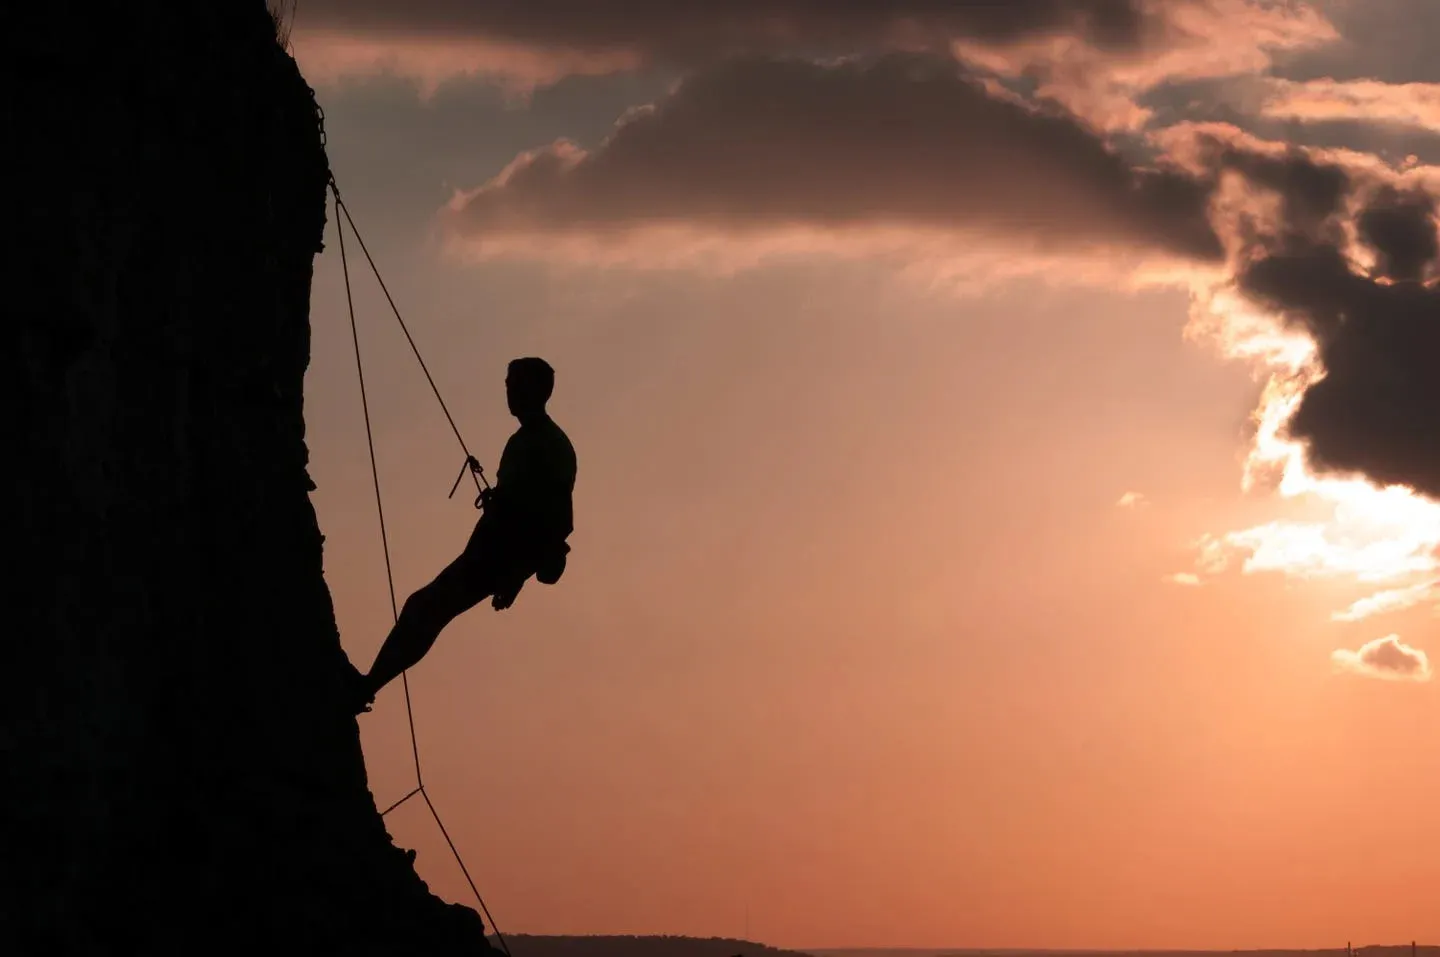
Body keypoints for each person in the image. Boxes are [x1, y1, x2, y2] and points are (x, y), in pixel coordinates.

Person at [347, 357, 576, 714]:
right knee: (426, 607)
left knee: (426, 607)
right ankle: (366, 685)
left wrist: (517, 576)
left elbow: (557, 522)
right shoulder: (526, 441)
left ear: (538, 390)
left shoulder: (551, 445)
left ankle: (365, 687)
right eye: (508, 383)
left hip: (500, 555)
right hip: (493, 551)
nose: (509, 391)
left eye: (516, 383)